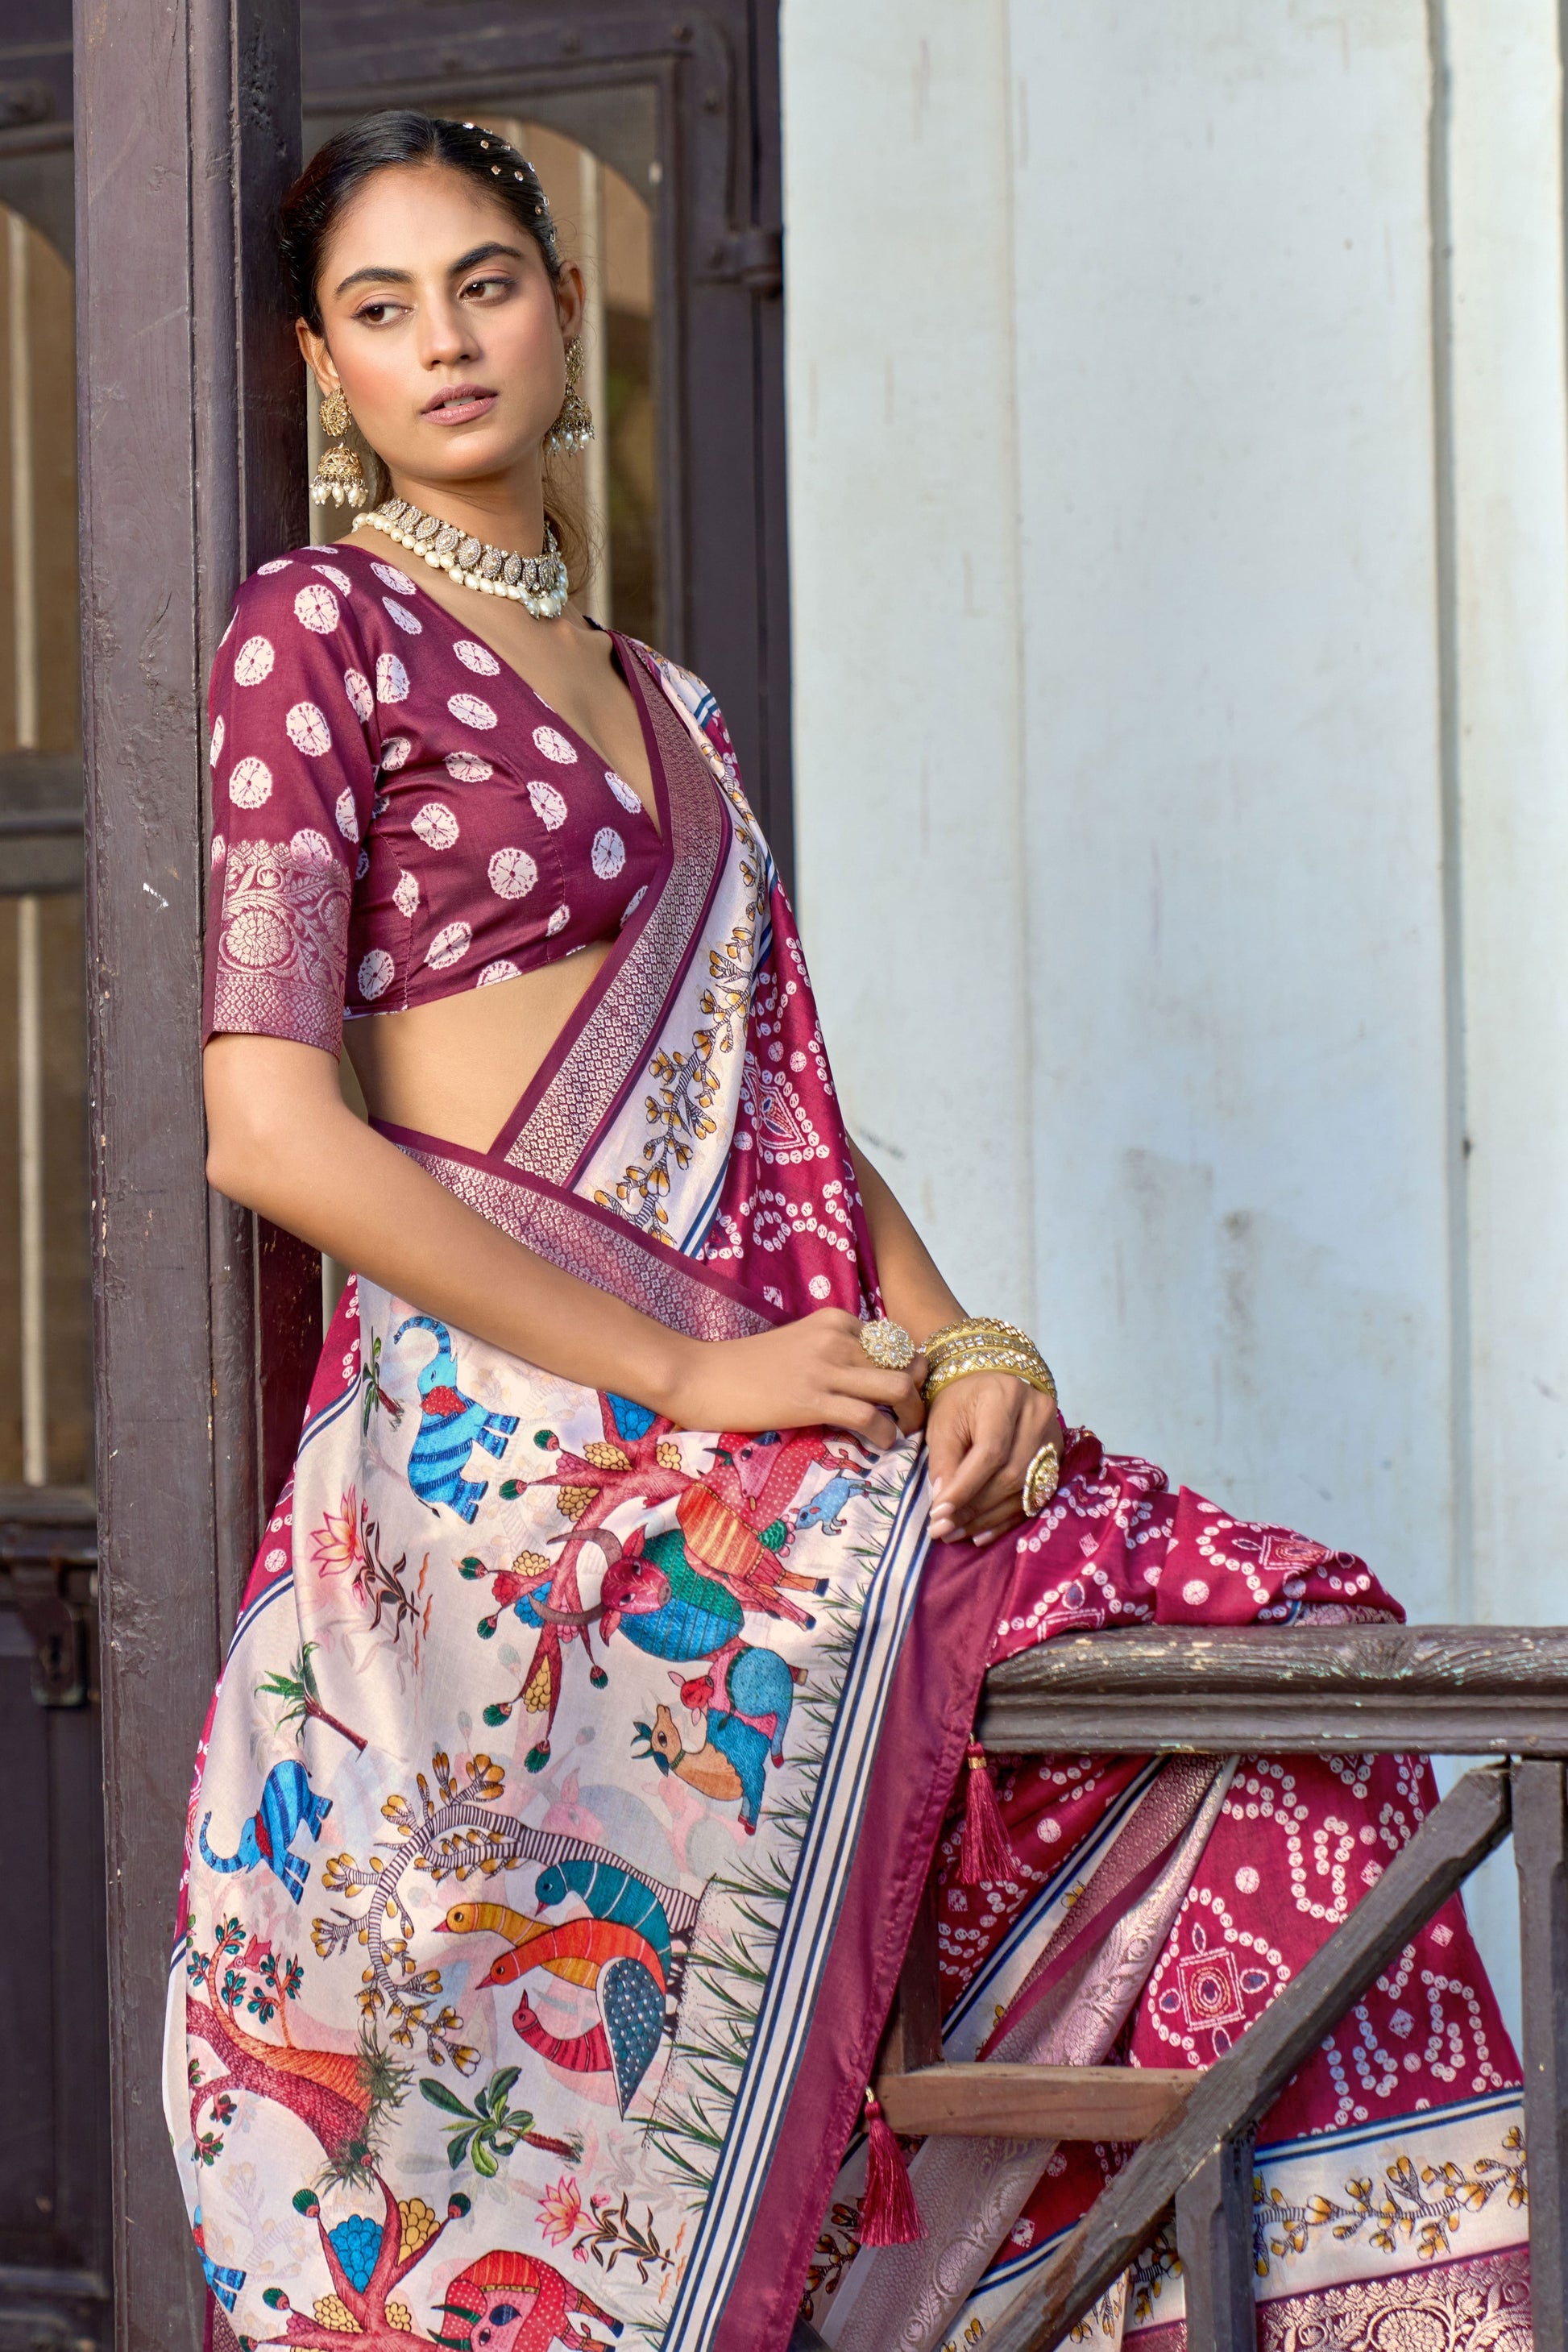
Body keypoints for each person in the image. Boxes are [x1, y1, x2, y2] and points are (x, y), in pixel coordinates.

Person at [164, 113, 1529, 2352]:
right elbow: (268, 1130)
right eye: (382, 310)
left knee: (1273, 1682)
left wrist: (967, 1340)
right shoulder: (316, 635)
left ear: (566, 307)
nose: (448, 342)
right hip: (516, 1455)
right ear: (326, 367)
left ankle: (1312, 2300)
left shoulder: (676, 707)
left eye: (486, 284)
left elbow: (786, 1105)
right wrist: (683, 1368)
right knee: (1188, 1666)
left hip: (767, 1390)